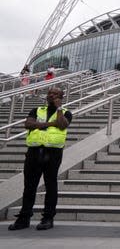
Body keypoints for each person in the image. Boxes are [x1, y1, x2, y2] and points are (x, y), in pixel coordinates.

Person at [9, 87, 72, 231]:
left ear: (61, 96)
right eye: (50, 93)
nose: (51, 95)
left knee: (51, 186)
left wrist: (59, 108)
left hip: (53, 153)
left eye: (55, 93)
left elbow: (62, 125)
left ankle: (48, 218)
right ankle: (24, 218)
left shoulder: (66, 112)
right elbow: (28, 124)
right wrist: (49, 124)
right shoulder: (37, 110)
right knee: (29, 186)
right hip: (34, 152)